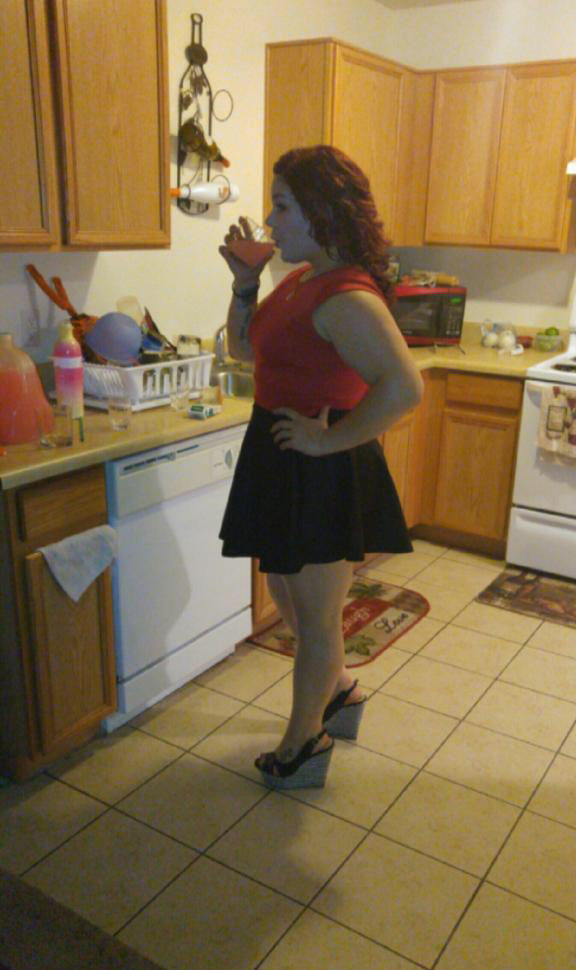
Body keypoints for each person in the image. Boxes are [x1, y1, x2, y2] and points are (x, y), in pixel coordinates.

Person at [218, 145, 423, 791]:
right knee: (286, 592)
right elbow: (243, 348)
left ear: (322, 212)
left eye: (282, 206)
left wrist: (329, 441)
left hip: (322, 469)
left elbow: (404, 387)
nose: (269, 220)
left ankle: (304, 744)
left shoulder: (347, 297)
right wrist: (245, 284)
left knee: (317, 620)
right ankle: (340, 692)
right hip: (284, 455)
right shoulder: (301, 279)